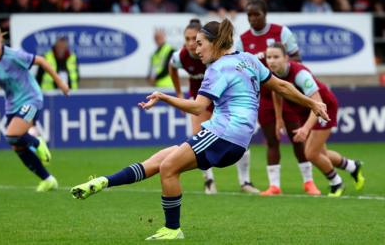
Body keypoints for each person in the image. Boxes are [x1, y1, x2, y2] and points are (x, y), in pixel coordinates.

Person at [70, 19, 329, 240]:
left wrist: (164, 97)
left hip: (223, 135)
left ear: (215, 43)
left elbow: (197, 107)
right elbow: (282, 86)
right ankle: (104, 182)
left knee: (168, 168)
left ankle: (172, 229)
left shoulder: (217, 69)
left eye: (200, 43)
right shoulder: (249, 59)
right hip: (234, 139)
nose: (196, 49)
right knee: (160, 160)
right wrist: (312, 103)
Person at [236, 0, 321, 196]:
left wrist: (279, 69)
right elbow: (239, 68)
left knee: (297, 137)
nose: (252, 18)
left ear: (265, 14)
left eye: (256, 14)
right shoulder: (243, 40)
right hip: (263, 98)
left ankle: (309, 182)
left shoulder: (281, 32)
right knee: (272, 140)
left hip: (286, 93)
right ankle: (274, 185)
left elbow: (296, 58)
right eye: (249, 15)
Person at [0, 22, 70, 192]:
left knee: (12, 134)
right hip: (12, 106)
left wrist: (60, 82)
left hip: (32, 99)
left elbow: (40, 60)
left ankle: (37, 142)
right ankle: (48, 180)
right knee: (16, 144)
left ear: (0, 37)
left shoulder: (13, 55)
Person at [169, 18, 259, 194]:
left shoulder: (218, 56)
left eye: (195, 39)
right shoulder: (181, 56)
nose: (190, 43)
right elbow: (171, 67)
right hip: (201, 100)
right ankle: (209, 181)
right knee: (198, 137)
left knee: (237, 138)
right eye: (186, 39)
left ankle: (245, 182)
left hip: (224, 100)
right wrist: (178, 93)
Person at [265, 42, 365, 197]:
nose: (271, 61)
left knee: (311, 153)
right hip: (306, 110)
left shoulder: (300, 74)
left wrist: (305, 128)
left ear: (286, 58)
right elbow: (276, 92)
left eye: (276, 57)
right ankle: (353, 166)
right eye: (268, 57)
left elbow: (318, 104)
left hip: (324, 108)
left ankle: (336, 183)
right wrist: (279, 118)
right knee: (320, 152)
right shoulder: (274, 73)